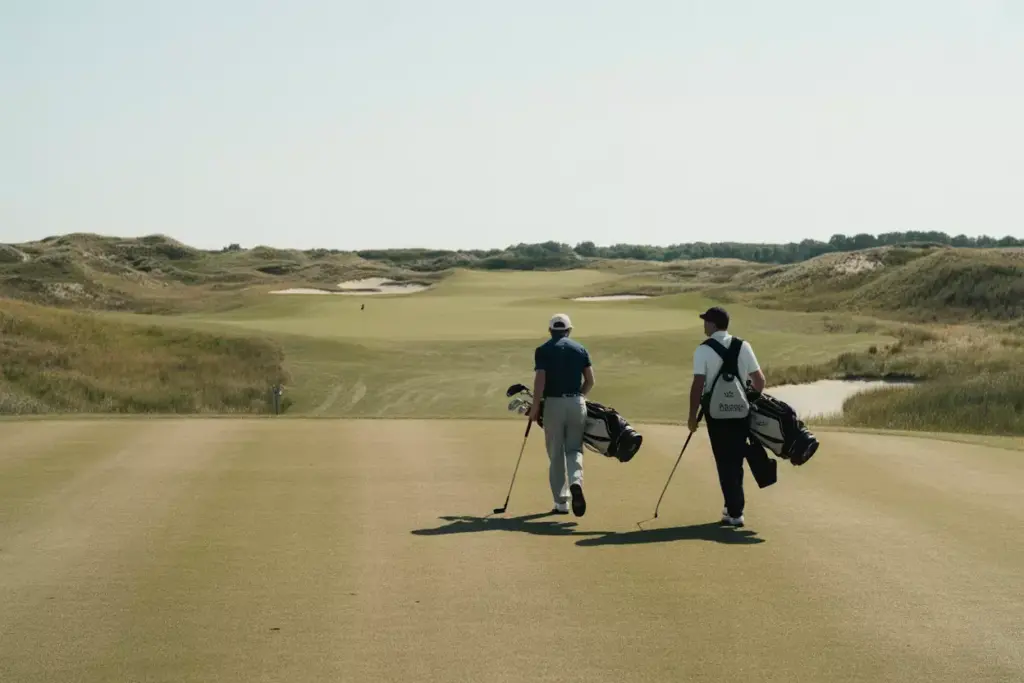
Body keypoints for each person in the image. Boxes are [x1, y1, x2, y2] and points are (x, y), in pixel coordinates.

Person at [687, 306, 766, 527]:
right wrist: (747, 403)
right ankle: (731, 506)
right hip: (741, 414)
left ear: (712, 325)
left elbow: (698, 386)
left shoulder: (703, 350)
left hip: (716, 415)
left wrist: (692, 416)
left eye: (706, 321)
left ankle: (735, 511)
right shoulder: (744, 346)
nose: (704, 325)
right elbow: (759, 382)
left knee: (725, 462)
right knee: (736, 460)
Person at [528, 313, 595, 517]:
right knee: (574, 449)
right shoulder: (580, 349)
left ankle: (561, 502)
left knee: (556, 453)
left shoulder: (543, 350)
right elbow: (590, 381)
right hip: (576, 403)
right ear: (569, 330)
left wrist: (535, 408)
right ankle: (576, 482)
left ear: (550, 330)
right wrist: (579, 398)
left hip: (554, 404)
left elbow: (540, 381)